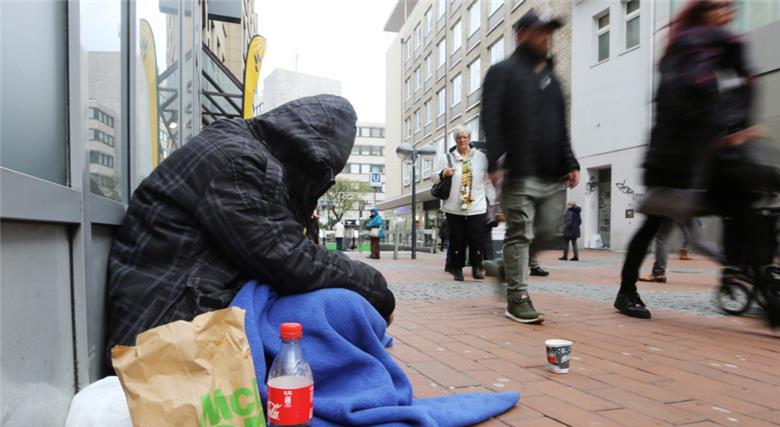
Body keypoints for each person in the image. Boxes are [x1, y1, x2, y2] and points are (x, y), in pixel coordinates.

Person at [106, 95, 395, 351]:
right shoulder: (238, 161)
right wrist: (377, 291)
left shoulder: (242, 151)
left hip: (176, 317)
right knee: (340, 308)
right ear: (311, 155)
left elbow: (288, 251)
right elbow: (291, 259)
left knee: (335, 312)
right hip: (159, 338)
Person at [613, 0, 780, 320]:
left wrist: (738, 128)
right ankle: (626, 290)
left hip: (705, 158)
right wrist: (724, 132)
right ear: (703, 10)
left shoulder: (722, 47)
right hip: (672, 160)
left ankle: (766, 293)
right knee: (654, 225)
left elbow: (742, 87)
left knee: (743, 207)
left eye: (730, 6)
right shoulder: (687, 45)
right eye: (718, 5)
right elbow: (684, 99)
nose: (727, 12)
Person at [481, 6, 580, 323]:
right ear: (522, 34)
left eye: (550, 32)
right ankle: (518, 298)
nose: (546, 38)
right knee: (520, 233)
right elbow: (491, 118)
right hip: (518, 170)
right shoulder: (502, 72)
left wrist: (571, 160)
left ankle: (505, 268)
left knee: (551, 232)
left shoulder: (553, 80)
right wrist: (495, 160)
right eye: (540, 31)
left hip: (553, 172)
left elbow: (561, 126)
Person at [433, 125, 496, 281]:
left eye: (465, 137)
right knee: (457, 238)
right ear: (455, 140)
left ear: (469, 139)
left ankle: (477, 267)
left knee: (477, 237)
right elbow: (433, 178)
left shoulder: (480, 157)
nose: (462, 140)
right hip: (454, 206)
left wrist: (494, 202)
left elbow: (487, 181)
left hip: (477, 205)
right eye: (459, 137)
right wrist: (443, 173)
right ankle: (457, 268)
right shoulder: (446, 158)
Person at [640, 218, 722, 283]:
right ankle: (730, 259)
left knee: (661, 238)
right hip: (686, 207)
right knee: (695, 241)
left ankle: (658, 273)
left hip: (672, 206)